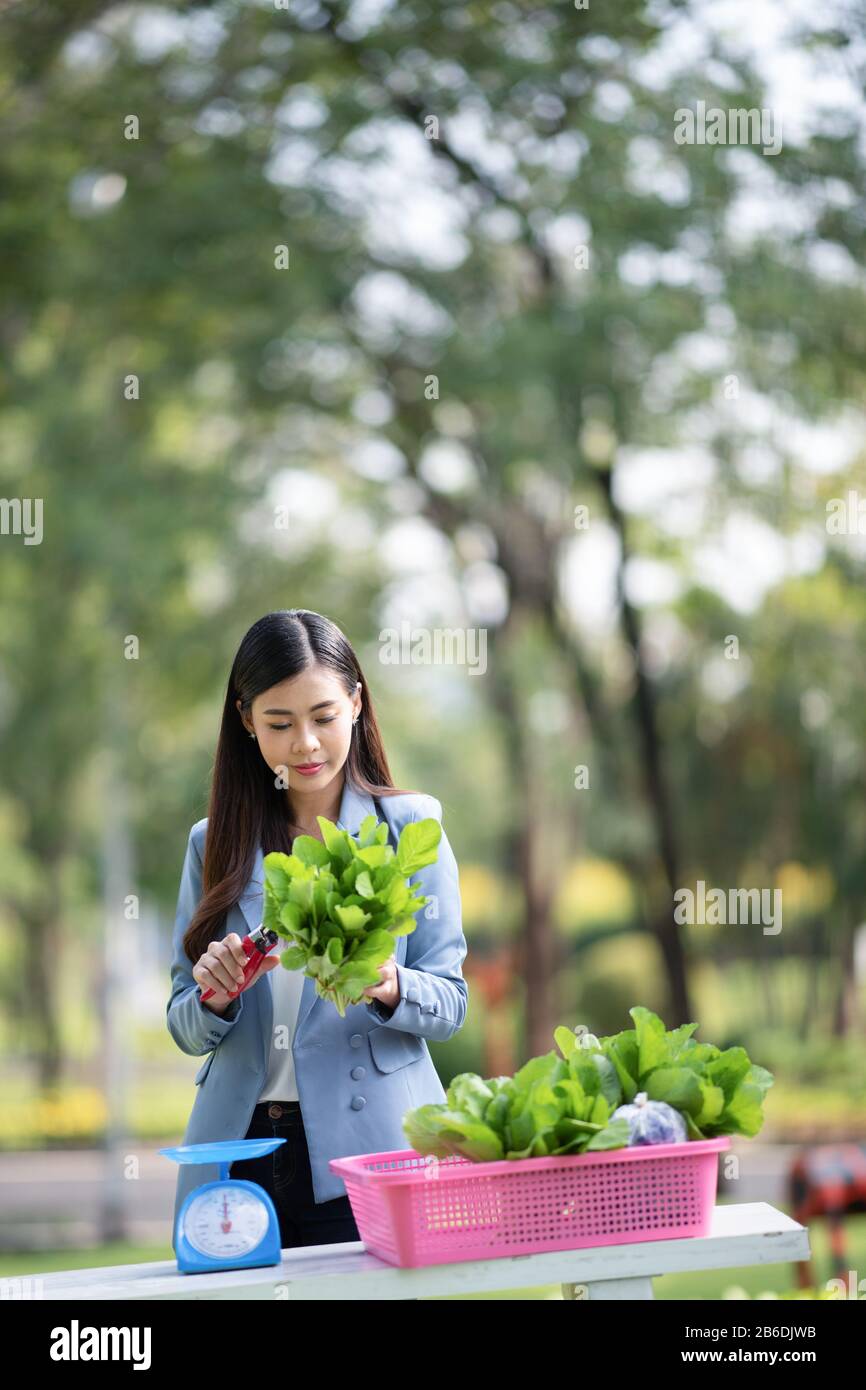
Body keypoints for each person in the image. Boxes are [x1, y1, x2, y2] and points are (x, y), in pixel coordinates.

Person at [166, 608, 469, 1253]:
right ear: (247, 721)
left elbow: (450, 1005)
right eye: (279, 723)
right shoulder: (213, 844)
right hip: (238, 1156)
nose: (305, 744)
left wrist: (387, 984)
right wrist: (215, 996)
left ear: (356, 705)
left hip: (367, 1155)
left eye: (324, 717)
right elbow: (183, 1024)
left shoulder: (408, 829)